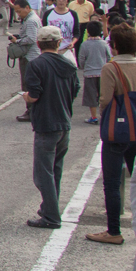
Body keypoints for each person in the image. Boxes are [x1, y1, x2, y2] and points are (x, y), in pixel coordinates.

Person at [85, 25, 136, 245]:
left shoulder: (111, 68)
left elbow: (105, 99)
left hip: (118, 130)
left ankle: (114, 231)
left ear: (115, 45)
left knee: (112, 182)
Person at [22, 26, 80, 229]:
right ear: (59, 42)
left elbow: (34, 94)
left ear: (38, 43)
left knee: (43, 173)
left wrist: (26, 98)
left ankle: (51, 216)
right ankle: (49, 209)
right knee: (56, 169)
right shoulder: (69, 64)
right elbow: (75, 90)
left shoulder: (36, 65)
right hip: (64, 121)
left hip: (46, 123)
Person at [78, 20, 110, 125]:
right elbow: (109, 57)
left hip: (89, 73)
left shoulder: (85, 45)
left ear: (88, 31)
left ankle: (94, 116)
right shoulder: (104, 43)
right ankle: (105, 116)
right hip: (103, 72)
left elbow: (81, 60)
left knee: (91, 96)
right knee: (103, 95)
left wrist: (83, 66)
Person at [41, 0, 80, 64]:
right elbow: (43, 31)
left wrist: (73, 43)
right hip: (51, 50)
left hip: (66, 49)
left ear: (67, 1)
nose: (61, 1)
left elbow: (77, 33)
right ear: (55, 0)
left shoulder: (73, 14)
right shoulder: (48, 14)